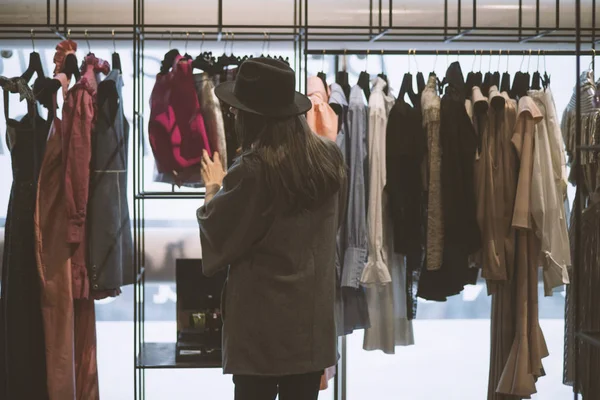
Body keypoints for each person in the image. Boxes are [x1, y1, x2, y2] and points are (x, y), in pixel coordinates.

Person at [197, 57, 347, 400]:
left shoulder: (253, 170)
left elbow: (220, 233)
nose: (233, 115)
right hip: (311, 330)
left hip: (260, 337)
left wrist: (213, 188)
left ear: (253, 117)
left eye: (237, 110)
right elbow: (331, 227)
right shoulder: (329, 160)